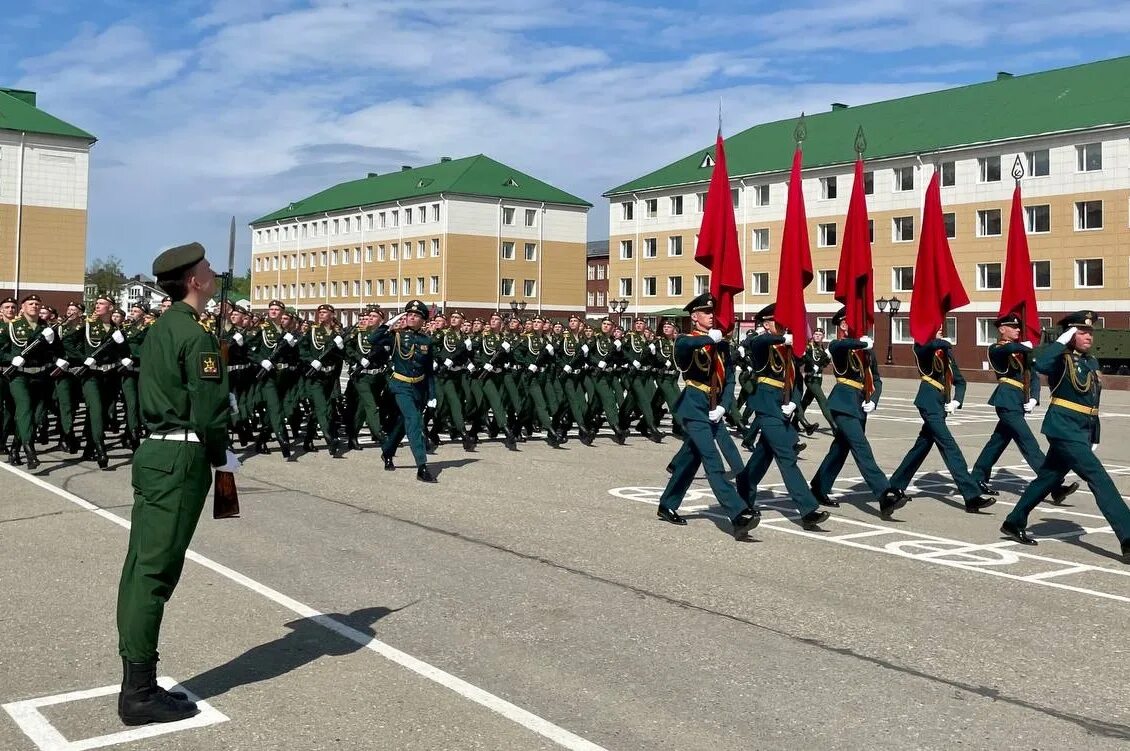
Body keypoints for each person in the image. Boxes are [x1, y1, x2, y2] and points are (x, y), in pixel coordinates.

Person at [115, 241, 240, 725]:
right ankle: (139, 692)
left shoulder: (163, 327)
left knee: (140, 568)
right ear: (194, 280)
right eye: (207, 267)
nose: (213, 271)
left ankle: (138, 680)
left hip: (155, 451)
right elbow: (208, 410)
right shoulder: (194, 333)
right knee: (155, 574)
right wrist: (221, 455)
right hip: (181, 455)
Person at [1000, 312, 1130, 562]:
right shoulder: (1060, 359)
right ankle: (1128, 536)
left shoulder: (1091, 361)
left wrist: (1094, 434)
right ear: (1070, 335)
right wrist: (1060, 342)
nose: (1088, 336)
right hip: (1063, 428)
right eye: (1081, 332)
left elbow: (1092, 400)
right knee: (1099, 478)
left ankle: (1014, 521)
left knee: (1048, 477)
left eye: (1090, 332)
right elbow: (1038, 363)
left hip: (1081, 430)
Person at [656, 293, 760, 540]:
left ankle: (667, 504)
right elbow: (683, 348)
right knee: (713, 461)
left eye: (713, 312)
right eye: (706, 313)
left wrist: (723, 406)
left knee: (696, 459)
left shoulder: (721, 345)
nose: (712, 316)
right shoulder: (686, 340)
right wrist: (708, 339)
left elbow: (730, 378)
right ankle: (738, 514)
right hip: (693, 405)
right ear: (694, 317)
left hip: (714, 407)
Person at [735, 303, 830, 530]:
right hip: (767, 406)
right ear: (768, 324)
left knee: (762, 456)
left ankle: (743, 488)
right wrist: (782, 339)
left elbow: (796, 379)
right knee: (787, 456)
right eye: (777, 322)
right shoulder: (763, 343)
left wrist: (795, 402)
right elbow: (758, 343)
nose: (784, 325)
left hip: (783, 407)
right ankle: (807, 509)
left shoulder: (787, 348)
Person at [970, 311, 1078, 504]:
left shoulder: (1021, 351)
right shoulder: (996, 349)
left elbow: (1033, 374)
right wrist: (1026, 346)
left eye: (1018, 327)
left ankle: (976, 478)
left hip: (1018, 401)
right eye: (1013, 327)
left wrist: (1034, 397)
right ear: (1002, 329)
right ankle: (1054, 486)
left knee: (997, 443)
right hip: (1006, 401)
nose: (1018, 330)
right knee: (1029, 443)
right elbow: (1007, 349)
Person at [886, 326, 995, 515]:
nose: (942, 329)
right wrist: (942, 342)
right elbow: (929, 346)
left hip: (941, 404)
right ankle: (971, 496)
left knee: (920, 449)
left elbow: (960, 381)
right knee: (950, 447)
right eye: (937, 326)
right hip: (928, 402)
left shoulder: (945, 352)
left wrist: (956, 401)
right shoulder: (922, 347)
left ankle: (893, 488)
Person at [810, 307, 905, 518]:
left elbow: (876, 379)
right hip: (843, 404)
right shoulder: (839, 346)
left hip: (860, 405)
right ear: (844, 325)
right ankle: (884, 494)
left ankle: (819, 486)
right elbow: (839, 346)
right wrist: (862, 344)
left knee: (840, 449)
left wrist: (874, 400)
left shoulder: (866, 349)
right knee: (861, 448)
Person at [372, 300, 439, 482]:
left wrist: (432, 395)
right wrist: (390, 322)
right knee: (414, 421)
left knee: (403, 423)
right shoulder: (396, 336)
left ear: (423, 320)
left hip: (419, 388)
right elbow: (373, 339)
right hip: (401, 386)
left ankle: (387, 452)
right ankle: (422, 466)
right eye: (409, 314)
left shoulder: (426, 340)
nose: (411, 317)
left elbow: (428, 371)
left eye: (416, 315)